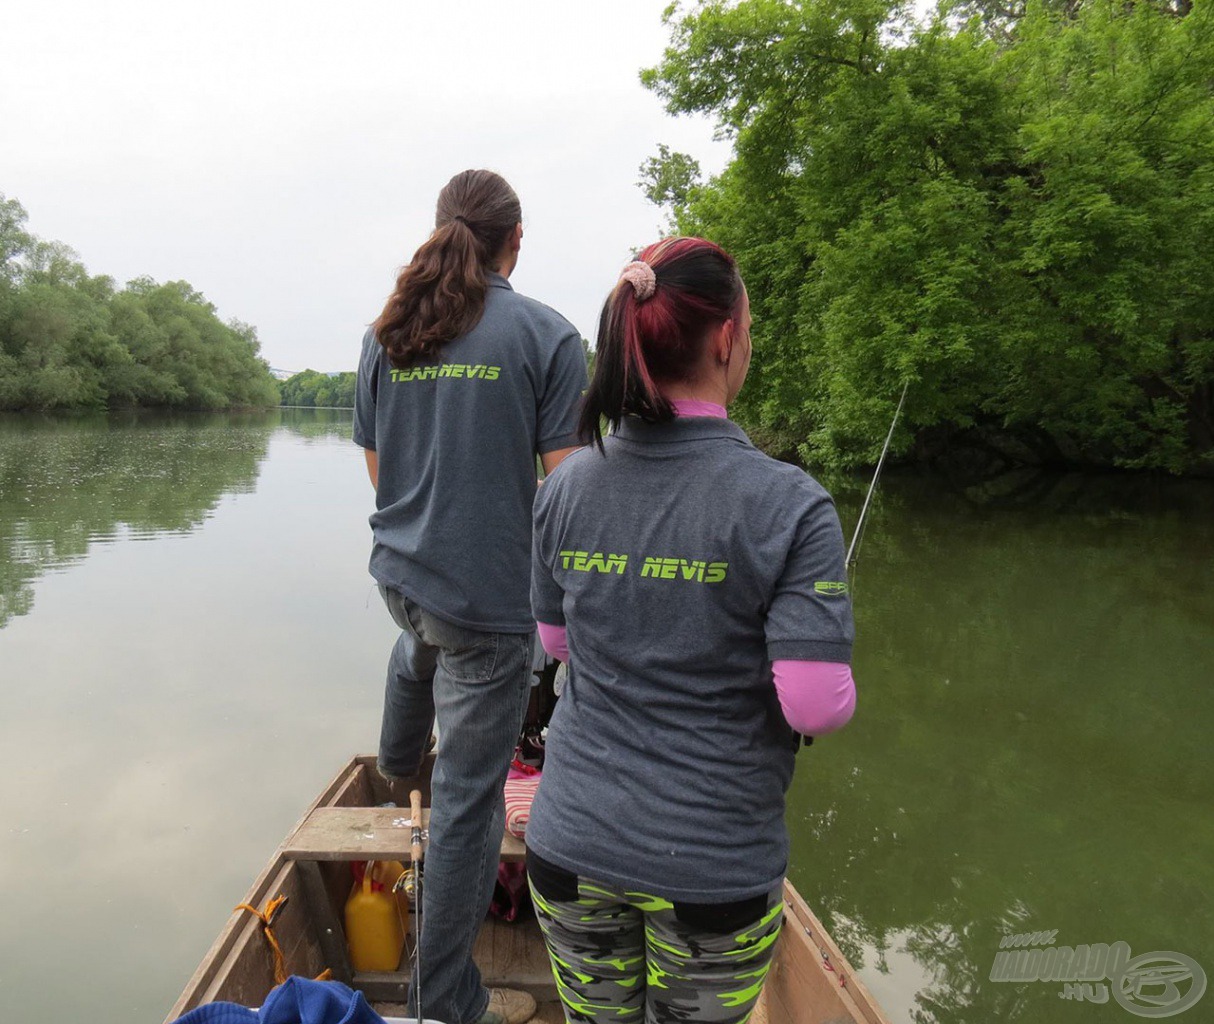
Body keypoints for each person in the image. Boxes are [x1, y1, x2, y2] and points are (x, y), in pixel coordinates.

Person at [527, 237, 857, 1024]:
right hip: (713, 873)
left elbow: (557, 646)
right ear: (725, 338)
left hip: (571, 845)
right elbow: (814, 708)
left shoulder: (564, 483)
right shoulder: (791, 503)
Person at [353, 169, 587, 1024]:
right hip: (487, 610)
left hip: (400, 579)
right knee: (465, 809)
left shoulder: (389, 333)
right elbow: (568, 491)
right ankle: (447, 998)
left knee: (419, 636)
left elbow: (380, 474)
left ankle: (394, 749)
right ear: (514, 241)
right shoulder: (548, 336)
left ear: (442, 229)